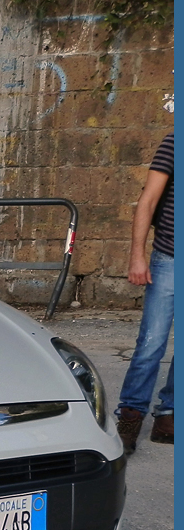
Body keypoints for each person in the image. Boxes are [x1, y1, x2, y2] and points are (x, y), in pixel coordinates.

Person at [115, 132, 174, 454]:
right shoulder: (173, 141)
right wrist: (137, 256)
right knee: (151, 343)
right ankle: (131, 413)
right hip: (169, 259)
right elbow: (148, 201)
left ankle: (168, 415)